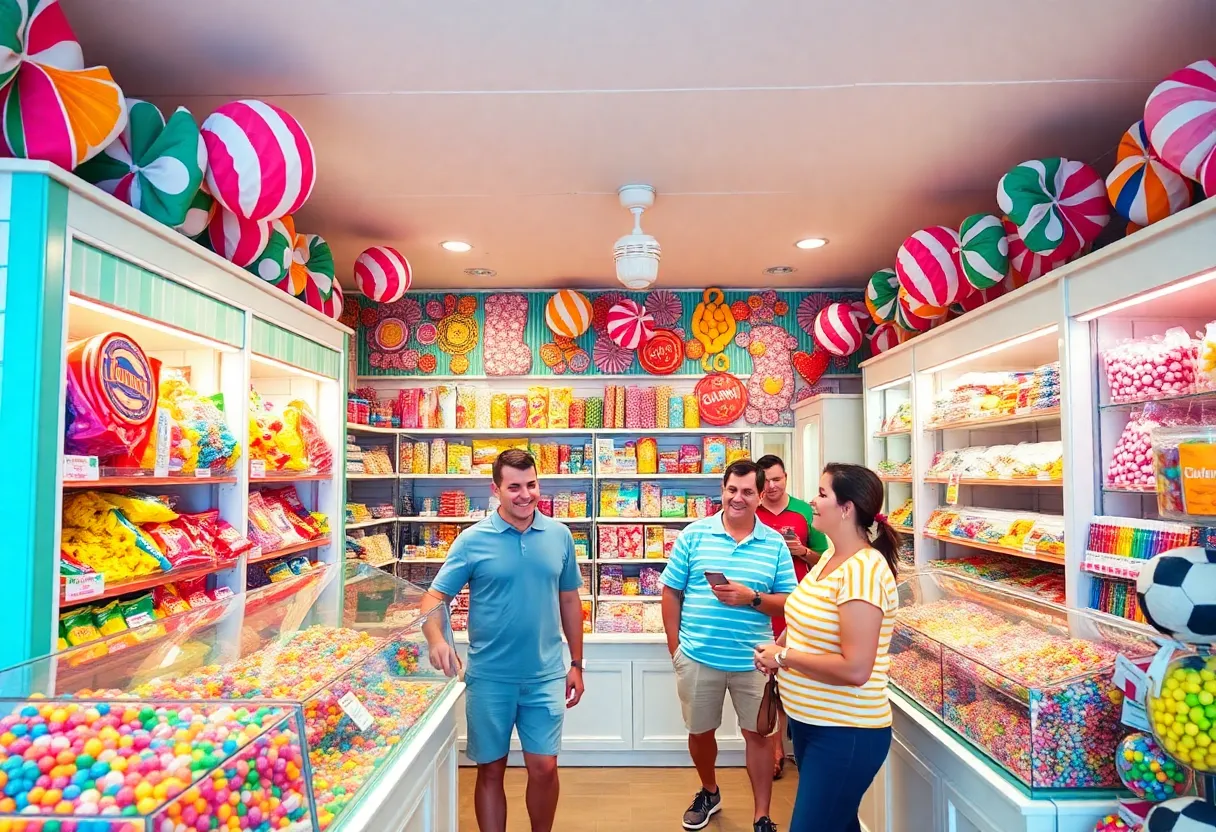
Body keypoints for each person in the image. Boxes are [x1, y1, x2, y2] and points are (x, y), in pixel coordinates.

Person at [421, 449, 586, 832]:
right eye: (514, 487)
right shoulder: (471, 540)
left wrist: (576, 663)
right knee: (491, 769)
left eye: (531, 485)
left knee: (544, 767)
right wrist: (436, 638)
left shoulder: (559, 536)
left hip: (545, 675)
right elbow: (433, 597)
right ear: (495, 489)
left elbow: (569, 600)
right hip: (490, 677)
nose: (525, 494)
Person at [753, 463, 900, 832]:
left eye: (821, 494)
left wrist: (784, 657)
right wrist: (778, 646)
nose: (811, 502)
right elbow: (803, 615)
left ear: (847, 508)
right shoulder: (830, 560)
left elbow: (856, 668)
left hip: (845, 731)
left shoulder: (863, 571)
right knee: (838, 822)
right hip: (812, 724)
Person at [660, 459, 798, 832]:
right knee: (700, 732)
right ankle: (709, 791)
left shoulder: (774, 544)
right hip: (698, 655)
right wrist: (676, 648)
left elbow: (789, 600)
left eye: (747, 492)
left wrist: (751, 598)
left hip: (754, 660)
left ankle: (762, 814)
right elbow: (671, 591)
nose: (738, 498)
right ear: (722, 490)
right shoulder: (694, 535)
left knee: (759, 736)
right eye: (732, 490)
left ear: (760, 494)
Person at [754, 454, 832, 780]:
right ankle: (772, 748)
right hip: (758, 605)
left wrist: (802, 552)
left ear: (786, 477)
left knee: (790, 672)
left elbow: (826, 559)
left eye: (777, 479)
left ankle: (790, 746)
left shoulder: (804, 510)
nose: (771, 487)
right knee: (763, 677)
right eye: (766, 481)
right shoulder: (750, 509)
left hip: (798, 606)